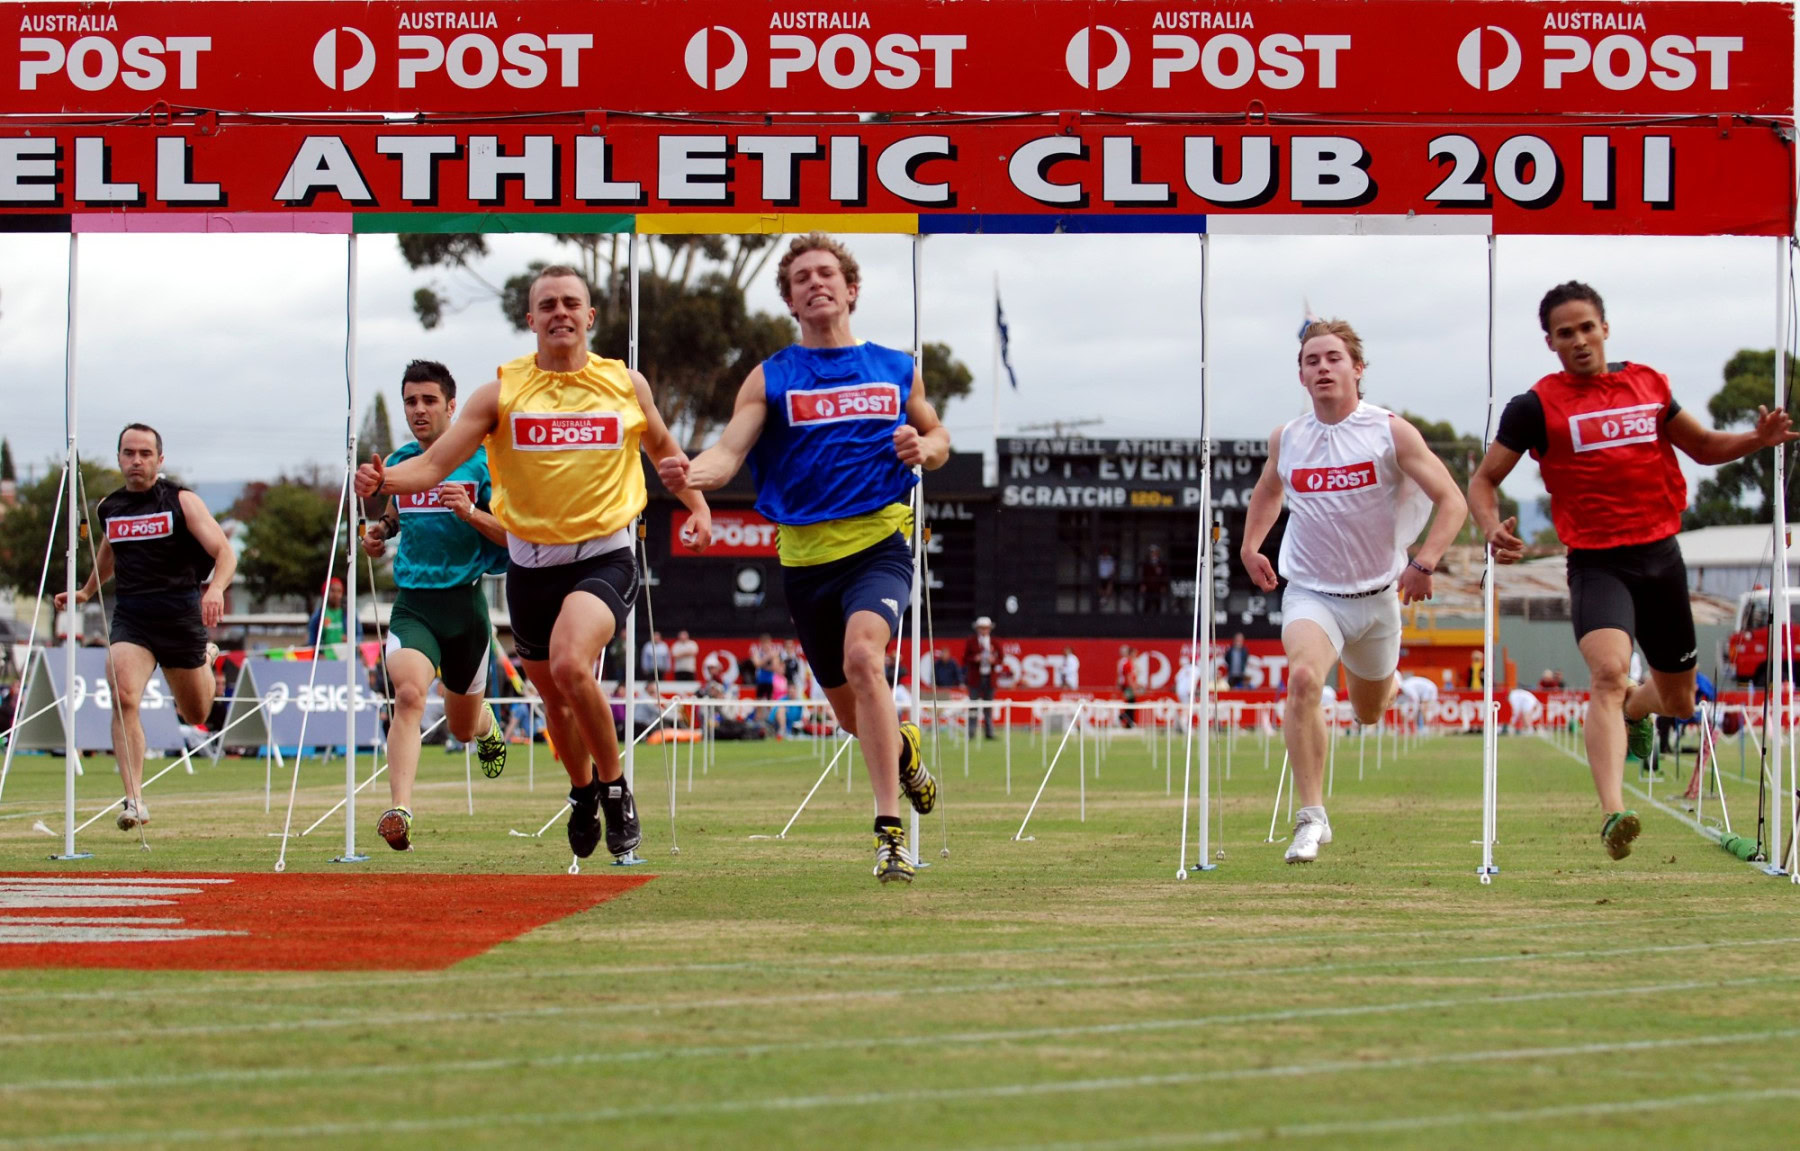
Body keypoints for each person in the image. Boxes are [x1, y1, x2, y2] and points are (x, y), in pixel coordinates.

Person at [356, 265, 713, 863]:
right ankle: (580, 790)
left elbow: (665, 450)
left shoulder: (625, 384)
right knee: (555, 700)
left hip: (603, 552)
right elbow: (434, 464)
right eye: (546, 304)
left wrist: (697, 504)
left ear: (590, 316)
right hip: (530, 564)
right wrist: (382, 479)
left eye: (571, 302)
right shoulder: (501, 392)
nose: (560, 312)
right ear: (531, 319)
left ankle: (617, 788)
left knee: (575, 666)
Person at [1469, 281, 1797, 861]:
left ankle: (1636, 709)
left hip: (1661, 557)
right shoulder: (1534, 407)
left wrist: (1758, 439)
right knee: (1608, 673)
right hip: (1597, 562)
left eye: (1586, 327)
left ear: (1605, 328)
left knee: (1677, 703)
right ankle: (1613, 810)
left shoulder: (1647, 384)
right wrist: (1491, 527)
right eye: (1564, 333)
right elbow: (1483, 480)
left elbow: (1701, 447)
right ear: (1549, 341)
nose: (1578, 340)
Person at [659, 233, 946, 885]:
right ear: (789, 299)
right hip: (806, 563)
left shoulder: (896, 367)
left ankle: (889, 833)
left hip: (878, 545)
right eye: (801, 277)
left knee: (864, 658)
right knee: (853, 714)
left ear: (850, 288)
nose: (816, 282)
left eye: (827, 273)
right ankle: (903, 755)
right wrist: (693, 470)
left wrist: (924, 449)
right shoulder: (771, 376)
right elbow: (729, 453)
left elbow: (938, 433)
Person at [1242, 319, 1467, 864]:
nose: (1323, 367)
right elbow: (1269, 489)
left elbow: (1452, 500)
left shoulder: (1390, 432)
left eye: (1334, 358)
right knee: (1301, 681)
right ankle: (1311, 818)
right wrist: (1252, 546)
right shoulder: (1288, 437)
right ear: (1300, 373)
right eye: (1312, 360)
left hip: (1377, 597)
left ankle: (1379, 685)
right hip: (1312, 594)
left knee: (1369, 713)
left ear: (1357, 369)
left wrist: (1424, 561)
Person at [359, 359, 511, 852]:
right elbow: (391, 519)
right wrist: (377, 535)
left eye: (429, 401)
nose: (418, 410)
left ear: (452, 405)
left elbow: (514, 537)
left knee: (463, 729)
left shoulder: (485, 462)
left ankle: (487, 724)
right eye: (410, 401)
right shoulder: (402, 461)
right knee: (407, 696)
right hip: (413, 606)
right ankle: (399, 810)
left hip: (465, 607)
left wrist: (469, 512)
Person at [56, 424, 234, 831]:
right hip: (132, 617)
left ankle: (205, 657)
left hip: (180, 615)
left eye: (145, 453)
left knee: (196, 713)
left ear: (159, 459)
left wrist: (215, 589)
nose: (136, 460)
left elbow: (224, 552)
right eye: (129, 453)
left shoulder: (181, 501)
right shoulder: (110, 508)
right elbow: (110, 551)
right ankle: (134, 799)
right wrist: (85, 592)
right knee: (122, 695)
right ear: (119, 457)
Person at [962, 616, 998, 739]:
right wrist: (975, 658)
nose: (984, 631)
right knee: (973, 706)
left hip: (989, 678)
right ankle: (971, 732)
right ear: (977, 629)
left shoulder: (994, 642)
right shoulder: (971, 641)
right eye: (981, 628)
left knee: (988, 706)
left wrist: (993, 660)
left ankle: (989, 732)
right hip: (975, 678)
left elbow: (1001, 658)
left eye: (986, 628)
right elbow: (965, 658)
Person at [306, 577, 349, 654]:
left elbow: (359, 636)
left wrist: (350, 640)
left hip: (345, 656)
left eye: (339, 591)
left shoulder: (349, 614)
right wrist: (319, 653)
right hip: (326, 658)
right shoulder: (318, 615)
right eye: (332, 591)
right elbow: (312, 641)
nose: (336, 595)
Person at [1139, 544, 1170, 613]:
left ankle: (1157, 618)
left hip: (1157, 586)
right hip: (1148, 585)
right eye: (1152, 552)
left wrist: (1163, 585)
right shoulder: (1146, 563)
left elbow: (1164, 575)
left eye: (1155, 552)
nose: (1153, 554)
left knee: (1157, 603)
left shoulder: (1162, 564)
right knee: (1147, 602)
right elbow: (1144, 574)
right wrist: (1143, 584)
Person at [1116, 645, 1140, 729]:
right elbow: (1128, 677)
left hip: (1127, 686)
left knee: (1131, 703)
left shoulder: (1127, 663)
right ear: (1130, 654)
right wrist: (1133, 688)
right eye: (1134, 654)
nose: (1136, 656)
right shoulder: (1127, 663)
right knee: (1131, 703)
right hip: (1128, 687)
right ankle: (1126, 720)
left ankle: (1128, 722)